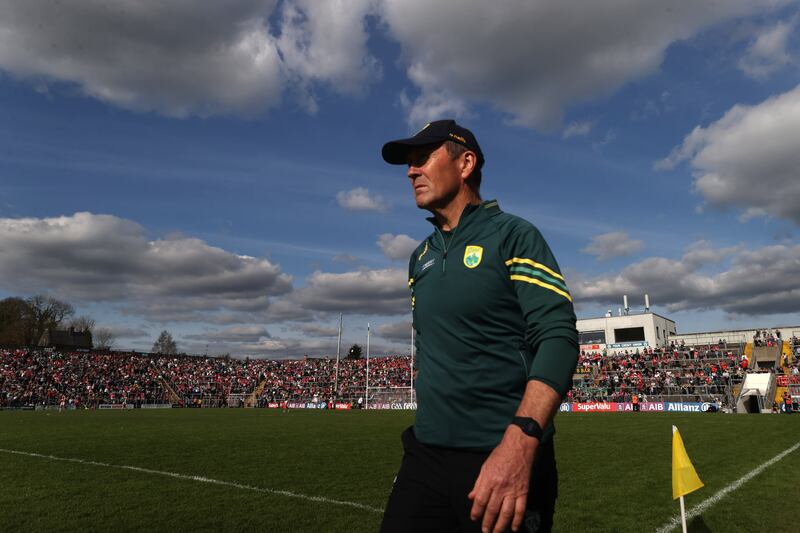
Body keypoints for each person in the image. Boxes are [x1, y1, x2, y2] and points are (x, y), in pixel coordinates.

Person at [379, 120, 578, 533]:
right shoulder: (420, 258)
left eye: (422, 159)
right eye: (408, 164)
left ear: (465, 162)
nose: (410, 171)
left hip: (501, 449)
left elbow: (557, 336)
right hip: (425, 455)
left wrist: (522, 441)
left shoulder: (514, 236)